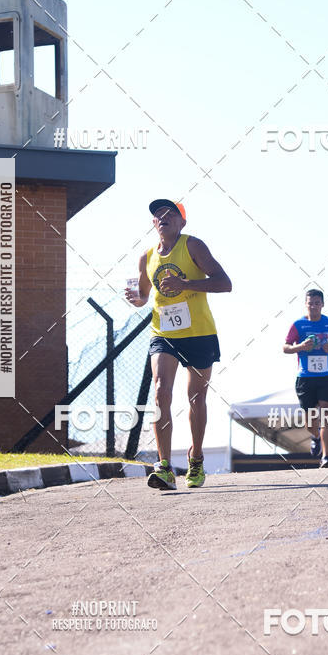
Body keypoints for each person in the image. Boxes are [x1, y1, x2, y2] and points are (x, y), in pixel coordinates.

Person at [125, 199, 232, 490]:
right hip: (164, 334)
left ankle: (196, 460)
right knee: (161, 392)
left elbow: (224, 282)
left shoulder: (193, 246)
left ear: (182, 222)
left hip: (198, 332)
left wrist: (186, 285)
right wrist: (137, 299)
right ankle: (164, 467)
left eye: (171, 213)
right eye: (158, 214)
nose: (163, 217)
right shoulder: (146, 257)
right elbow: (144, 294)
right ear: (153, 224)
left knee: (196, 398)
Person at [283, 289, 328, 468]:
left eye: (317, 303)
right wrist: (300, 346)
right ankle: (315, 436)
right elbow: (285, 347)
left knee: (326, 413)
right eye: (310, 303)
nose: (314, 306)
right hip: (305, 378)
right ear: (305, 304)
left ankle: (326, 457)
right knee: (310, 420)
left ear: (322, 304)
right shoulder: (298, 325)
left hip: (327, 376)